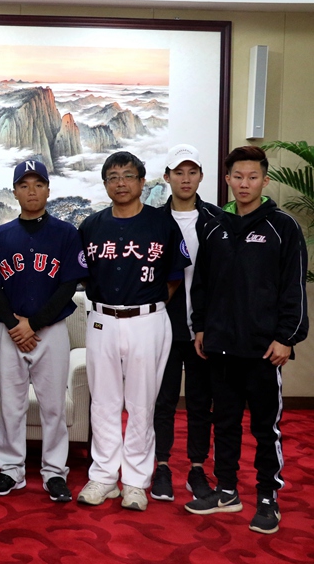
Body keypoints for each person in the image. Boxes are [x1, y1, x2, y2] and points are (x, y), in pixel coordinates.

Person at [186, 145, 308, 534]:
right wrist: (201, 327)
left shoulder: (283, 227)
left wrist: (287, 338)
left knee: (265, 429)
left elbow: (294, 288)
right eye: (237, 176)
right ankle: (226, 490)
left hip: (264, 350)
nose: (244, 183)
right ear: (227, 180)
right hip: (221, 345)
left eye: (252, 177)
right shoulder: (215, 227)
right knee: (224, 422)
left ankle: (268, 497)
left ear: (264, 181)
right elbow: (202, 284)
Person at [76, 151, 189, 511]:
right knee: (103, 403)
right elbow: (84, 276)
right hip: (102, 320)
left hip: (148, 320)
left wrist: (145, 304)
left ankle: (136, 482)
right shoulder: (91, 226)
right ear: (105, 184)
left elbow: (174, 278)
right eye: (113, 177)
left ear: (142, 182)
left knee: (141, 404)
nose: (120, 183)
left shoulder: (162, 224)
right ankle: (104, 477)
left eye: (128, 175)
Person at [0, 160, 85, 502]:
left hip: (50, 330)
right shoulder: (0, 235)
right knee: (11, 405)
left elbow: (68, 285)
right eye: (24, 185)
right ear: (15, 192)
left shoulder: (66, 233)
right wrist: (13, 325)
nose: (32, 191)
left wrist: (32, 324)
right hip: (11, 331)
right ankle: (11, 470)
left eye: (38, 184)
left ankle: (54, 472)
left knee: (53, 406)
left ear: (48, 190)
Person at [150, 145, 221, 502]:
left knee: (199, 403)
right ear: (167, 177)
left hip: (205, 329)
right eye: (179, 172)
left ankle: (196, 468)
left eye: (192, 172)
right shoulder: (154, 221)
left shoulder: (216, 220)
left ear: (201, 176)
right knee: (163, 401)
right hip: (163, 324)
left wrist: (210, 324)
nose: (186, 179)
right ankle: (161, 466)